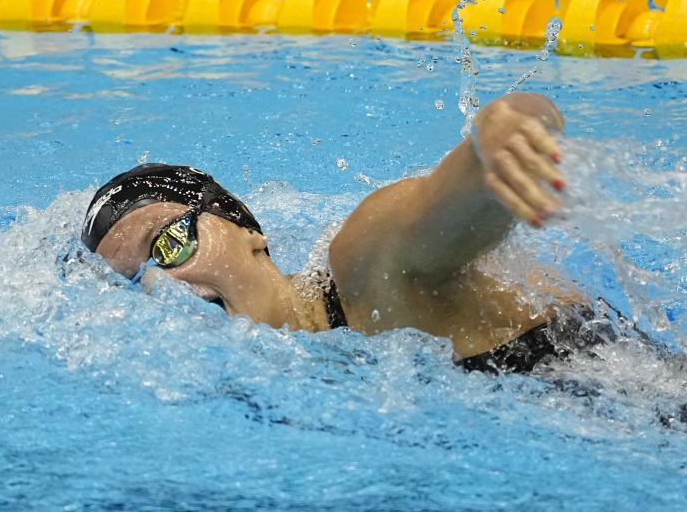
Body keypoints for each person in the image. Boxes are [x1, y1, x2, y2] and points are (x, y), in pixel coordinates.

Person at [82, 92, 618, 374]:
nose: (167, 288)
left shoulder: (366, 268)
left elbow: (444, 203)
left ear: (249, 232)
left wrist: (503, 129)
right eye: (136, 285)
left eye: (170, 243)